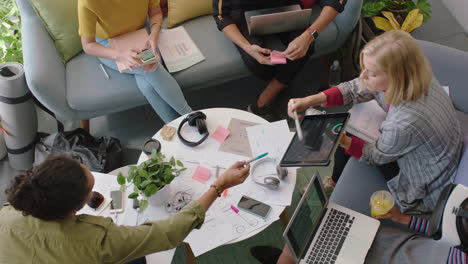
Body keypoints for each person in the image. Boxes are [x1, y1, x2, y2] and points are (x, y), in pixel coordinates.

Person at [288, 30, 463, 213]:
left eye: (371, 73)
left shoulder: (404, 124)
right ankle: (334, 180)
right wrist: (311, 100)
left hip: (424, 179)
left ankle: (334, 181)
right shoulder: (416, 75)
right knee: (348, 131)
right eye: (364, 68)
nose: (362, 76)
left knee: (346, 135)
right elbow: (357, 87)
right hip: (439, 148)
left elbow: (374, 156)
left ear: (395, 76)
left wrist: (341, 139)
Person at [0, 155, 251, 263]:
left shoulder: (8, 212)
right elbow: (167, 234)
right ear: (74, 209)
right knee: (137, 256)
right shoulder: (95, 242)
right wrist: (219, 186)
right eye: (91, 190)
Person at [252, 184, 468, 264]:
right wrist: (401, 218)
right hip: (390, 241)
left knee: (298, 248)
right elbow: (437, 234)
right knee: (316, 229)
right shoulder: (462, 245)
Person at [213, 0, 347, 121]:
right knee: (255, 63)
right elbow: (221, 15)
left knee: (305, 47)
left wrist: (309, 35)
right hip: (243, 11)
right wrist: (246, 47)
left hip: (286, 5)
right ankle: (282, 81)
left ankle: (269, 94)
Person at [78, 0, 192, 123]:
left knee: (148, 86)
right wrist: (119, 55)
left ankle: (178, 127)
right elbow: (88, 45)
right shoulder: (87, 2)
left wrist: (154, 34)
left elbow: (155, 12)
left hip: (140, 32)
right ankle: (191, 116)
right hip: (109, 43)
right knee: (150, 68)